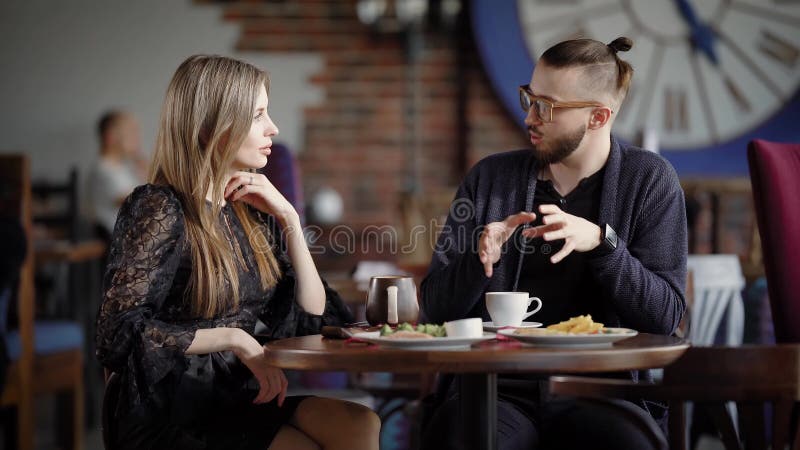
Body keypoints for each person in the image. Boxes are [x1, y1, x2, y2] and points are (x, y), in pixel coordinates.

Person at [95, 55, 380, 450]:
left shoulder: (246, 213)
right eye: (259, 114)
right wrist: (235, 338)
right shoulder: (158, 207)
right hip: (168, 409)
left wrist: (290, 221)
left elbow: (311, 317)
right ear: (215, 127)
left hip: (230, 396)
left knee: (359, 422)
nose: (273, 128)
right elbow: (117, 334)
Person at [420, 37, 686, 450]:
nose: (529, 116)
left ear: (598, 117)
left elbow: (665, 317)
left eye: (546, 106)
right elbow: (433, 310)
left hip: (603, 391)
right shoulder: (490, 179)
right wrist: (478, 260)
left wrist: (603, 243)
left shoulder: (649, 180)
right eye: (529, 97)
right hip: (495, 389)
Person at [88, 110, 148, 241]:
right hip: (116, 241)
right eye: (130, 132)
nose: (137, 138)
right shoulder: (102, 169)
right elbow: (134, 200)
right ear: (111, 137)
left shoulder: (125, 168)